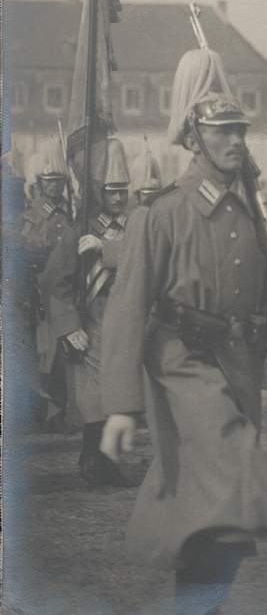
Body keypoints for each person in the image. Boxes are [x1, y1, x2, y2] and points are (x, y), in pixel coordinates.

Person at [99, 49, 267, 615]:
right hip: (181, 360)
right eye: (221, 132)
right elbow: (126, 309)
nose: (236, 141)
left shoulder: (249, 210)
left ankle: (196, 606)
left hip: (238, 363)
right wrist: (119, 407)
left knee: (211, 516)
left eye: (239, 130)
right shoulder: (161, 214)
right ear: (195, 138)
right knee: (236, 471)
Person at [44, 137, 137, 486]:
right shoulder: (79, 230)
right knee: (95, 397)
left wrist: (108, 250)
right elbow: (56, 282)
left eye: (123, 191)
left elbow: (148, 258)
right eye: (112, 191)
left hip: (126, 322)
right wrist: (68, 327)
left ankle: (108, 461)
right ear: (100, 191)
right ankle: (93, 461)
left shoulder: (134, 227)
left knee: (120, 394)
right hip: (93, 321)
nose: (118, 198)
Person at [20, 137, 72, 429]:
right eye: (50, 181)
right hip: (41, 291)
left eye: (59, 181)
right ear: (40, 183)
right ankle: (45, 411)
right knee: (45, 353)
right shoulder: (33, 215)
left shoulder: (69, 212)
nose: (55, 186)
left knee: (63, 353)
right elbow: (29, 248)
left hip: (65, 292)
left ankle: (60, 409)